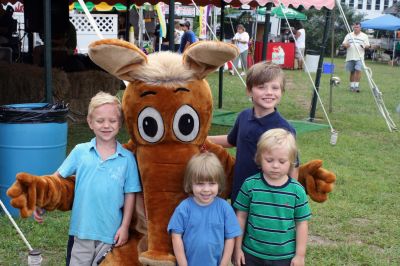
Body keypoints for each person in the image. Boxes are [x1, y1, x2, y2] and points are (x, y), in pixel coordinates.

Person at [34, 91, 142, 265]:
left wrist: (124, 227)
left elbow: (130, 194)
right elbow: (57, 179)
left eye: (112, 121)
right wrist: (43, 201)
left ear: (120, 123)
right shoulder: (80, 151)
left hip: (111, 234)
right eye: (100, 121)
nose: (106, 125)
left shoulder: (127, 158)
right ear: (90, 122)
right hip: (81, 232)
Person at [207, 62, 299, 203]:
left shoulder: (285, 129)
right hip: (239, 192)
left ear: (282, 92)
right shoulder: (243, 116)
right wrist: (203, 139)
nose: (269, 92)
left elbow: (293, 165)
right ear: (249, 91)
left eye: (275, 88)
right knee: (237, 225)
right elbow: (231, 141)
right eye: (261, 87)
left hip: (267, 199)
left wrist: (290, 198)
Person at [233, 128, 311, 266]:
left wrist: (300, 255)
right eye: (269, 160)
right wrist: (237, 248)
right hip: (251, 254)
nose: (275, 166)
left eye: (282, 162)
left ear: (291, 161)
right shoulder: (250, 185)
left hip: (284, 257)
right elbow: (241, 217)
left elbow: (302, 224)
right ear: (259, 158)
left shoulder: (297, 191)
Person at [167, 152, 242, 266]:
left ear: (219, 183)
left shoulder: (225, 208)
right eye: (200, 183)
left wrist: (223, 264)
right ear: (190, 183)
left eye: (212, 183)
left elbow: (230, 238)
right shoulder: (184, 208)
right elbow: (175, 236)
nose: (206, 189)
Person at [342, 22, 370, 92]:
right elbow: (344, 43)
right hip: (350, 56)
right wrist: (346, 45)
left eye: (357, 27)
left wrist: (364, 46)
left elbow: (368, 45)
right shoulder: (349, 35)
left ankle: (356, 86)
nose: (356, 28)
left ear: (360, 28)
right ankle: (352, 86)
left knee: (358, 70)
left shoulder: (364, 36)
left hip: (359, 57)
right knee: (352, 72)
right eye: (354, 27)